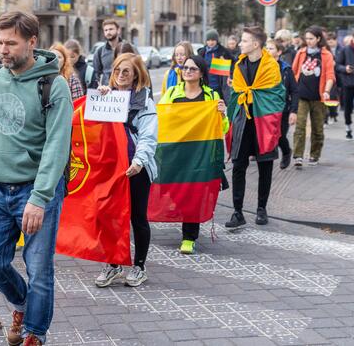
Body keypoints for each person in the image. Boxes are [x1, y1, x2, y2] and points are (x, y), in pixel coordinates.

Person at [0, 11, 72, 346]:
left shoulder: (53, 85)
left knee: (39, 268)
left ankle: (35, 332)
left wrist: (39, 197)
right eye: (0, 42)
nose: (2, 49)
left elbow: (56, 147)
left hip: (36, 191)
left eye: (11, 43)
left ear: (32, 42)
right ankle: (21, 304)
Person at [94, 52, 157, 287]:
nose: (120, 75)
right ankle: (113, 264)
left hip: (135, 168)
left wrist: (139, 161)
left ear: (136, 75)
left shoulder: (145, 101)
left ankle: (139, 266)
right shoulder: (105, 96)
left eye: (126, 72)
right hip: (110, 168)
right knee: (107, 216)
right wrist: (98, 100)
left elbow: (149, 136)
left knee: (137, 217)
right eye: (117, 71)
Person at [159, 55, 229, 254]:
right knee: (175, 192)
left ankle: (189, 237)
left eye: (192, 69)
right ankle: (182, 213)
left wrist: (223, 114)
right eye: (185, 68)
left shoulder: (211, 96)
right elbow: (161, 118)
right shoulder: (172, 93)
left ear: (201, 74)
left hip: (200, 154)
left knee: (194, 194)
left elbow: (222, 128)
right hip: (175, 152)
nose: (187, 71)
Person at [225, 26, 285, 229]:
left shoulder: (271, 66)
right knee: (238, 165)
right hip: (243, 121)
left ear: (255, 44)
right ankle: (237, 212)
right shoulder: (239, 65)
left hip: (264, 122)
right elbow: (235, 92)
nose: (240, 44)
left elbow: (276, 96)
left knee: (265, 166)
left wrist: (255, 98)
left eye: (244, 40)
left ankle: (261, 208)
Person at [289, 26, 336, 167]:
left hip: (319, 97)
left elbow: (330, 76)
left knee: (317, 128)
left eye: (311, 38)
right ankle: (298, 156)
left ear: (318, 39)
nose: (308, 41)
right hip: (301, 95)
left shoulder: (326, 55)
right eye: (307, 38)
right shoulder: (301, 52)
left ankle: (315, 155)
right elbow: (293, 71)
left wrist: (327, 91)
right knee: (300, 126)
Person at [265, 40, 298, 169]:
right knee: (265, 134)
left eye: (271, 48)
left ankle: (286, 152)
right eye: (266, 48)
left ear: (279, 52)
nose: (268, 51)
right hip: (265, 108)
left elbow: (294, 91)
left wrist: (293, 111)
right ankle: (264, 156)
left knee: (279, 135)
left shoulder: (286, 69)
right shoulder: (261, 67)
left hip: (282, 109)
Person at [198, 29, 233, 99]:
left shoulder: (223, 51)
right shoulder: (202, 52)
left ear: (217, 40)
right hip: (205, 85)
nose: (211, 42)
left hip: (219, 85)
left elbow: (234, 63)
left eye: (213, 40)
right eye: (209, 40)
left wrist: (225, 62)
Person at [90, 20, 123, 87]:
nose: (108, 32)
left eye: (111, 29)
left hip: (126, 89)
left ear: (118, 30)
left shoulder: (128, 48)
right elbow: (96, 73)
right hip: (107, 90)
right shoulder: (100, 51)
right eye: (106, 30)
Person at [325, 30, 344, 124]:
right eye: (328, 40)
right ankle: (326, 116)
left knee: (334, 97)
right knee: (328, 96)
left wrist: (336, 64)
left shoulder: (342, 49)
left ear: (336, 40)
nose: (330, 42)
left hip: (339, 76)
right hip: (327, 76)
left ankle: (333, 113)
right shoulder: (324, 50)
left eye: (332, 40)